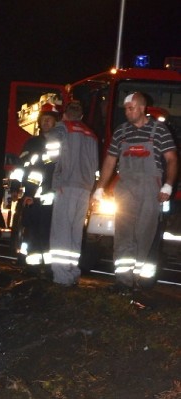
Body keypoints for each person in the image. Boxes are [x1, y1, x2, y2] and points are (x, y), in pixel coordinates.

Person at [94, 92, 178, 292]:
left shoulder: (159, 130)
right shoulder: (121, 132)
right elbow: (110, 161)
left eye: (130, 108)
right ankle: (123, 282)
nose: (127, 112)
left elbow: (172, 159)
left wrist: (168, 185)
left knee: (144, 234)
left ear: (142, 108)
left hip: (151, 188)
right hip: (125, 187)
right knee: (123, 234)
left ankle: (139, 282)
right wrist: (99, 188)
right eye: (125, 109)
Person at [48, 100, 99, 286]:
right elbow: (95, 166)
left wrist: (56, 176)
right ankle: (72, 272)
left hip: (65, 185)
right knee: (75, 233)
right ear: (82, 116)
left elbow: (52, 156)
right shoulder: (91, 135)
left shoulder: (61, 129)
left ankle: (61, 277)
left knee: (61, 231)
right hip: (84, 188)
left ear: (65, 114)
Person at [16, 102, 62, 270]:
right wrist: (19, 189)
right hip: (34, 193)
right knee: (32, 229)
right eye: (44, 120)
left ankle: (48, 267)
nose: (46, 123)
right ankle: (32, 266)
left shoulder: (61, 143)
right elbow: (24, 167)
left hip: (52, 194)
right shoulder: (32, 143)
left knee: (47, 230)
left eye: (49, 120)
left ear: (56, 122)